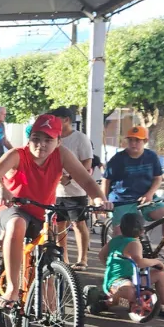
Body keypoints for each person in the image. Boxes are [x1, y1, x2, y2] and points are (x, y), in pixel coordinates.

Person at [0, 114, 109, 310]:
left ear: (58, 141)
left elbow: (85, 180)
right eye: (36, 138)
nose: (40, 145)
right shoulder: (18, 154)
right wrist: (1, 188)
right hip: (14, 208)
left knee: (49, 267)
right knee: (17, 224)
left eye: (48, 140)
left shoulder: (62, 154)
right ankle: (12, 288)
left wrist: (98, 198)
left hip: (43, 214)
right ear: (29, 139)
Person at [103, 125, 164, 263]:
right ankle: (116, 266)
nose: (134, 143)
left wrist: (150, 194)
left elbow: (157, 178)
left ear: (145, 141)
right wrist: (103, 201)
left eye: (138, 140)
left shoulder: (151, 156)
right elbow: (106, 180)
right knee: (121, 237)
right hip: (122, 200)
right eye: (131, 140)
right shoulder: (118, 159)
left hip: (146, 198)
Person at [88, 211, 164, 320]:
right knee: (130, 292)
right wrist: (157, 262)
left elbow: (101, 255)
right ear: (142, 231)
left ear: (121, 227)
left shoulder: (114, 240)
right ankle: (106, 303)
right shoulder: (134, 243)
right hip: (118, 281)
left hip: (124, 278)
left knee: (159, 275)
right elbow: (139, 262)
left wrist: (111, 266)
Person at [49, 107, 96, 270]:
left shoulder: (80, 138)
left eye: (55, 119)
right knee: (59, 226)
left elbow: (87, 163)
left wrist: (69, 178)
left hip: (77, 190)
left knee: (78, 224)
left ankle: (82, 259)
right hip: (56, 192)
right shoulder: (52, 138)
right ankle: (64, 259)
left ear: (66, 120)